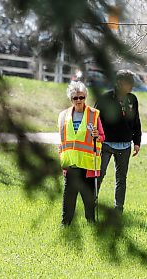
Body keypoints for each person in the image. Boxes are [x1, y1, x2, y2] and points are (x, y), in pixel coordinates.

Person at [94, 70, 142, 214]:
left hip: (125, 145)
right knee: (99, 174)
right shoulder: (105, 98)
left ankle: (118, 209)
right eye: (129, 82)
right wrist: (95, 139)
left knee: (121, 178)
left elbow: (136, 121)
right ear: (120, 83)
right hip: (105, 144)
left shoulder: (132, 99)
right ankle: (92, 203)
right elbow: (94, 119)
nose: (132, 86)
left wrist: (137, 141)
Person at [58, 81, 105, 225]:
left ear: (85, 97)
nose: (78, 100)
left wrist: (98, 135)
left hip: (87, 162)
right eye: (75, 98)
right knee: (69, 196)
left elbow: (102, 137)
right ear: (71, 99)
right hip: (71, 162)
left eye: (81, 97)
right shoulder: (63, 116)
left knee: (88, 196)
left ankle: (91, 223)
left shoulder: (93, 114)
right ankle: (65, 223)